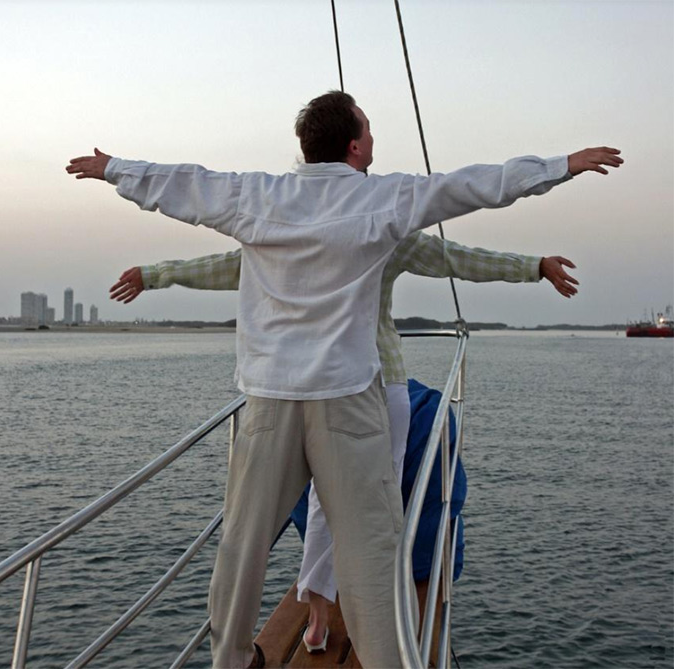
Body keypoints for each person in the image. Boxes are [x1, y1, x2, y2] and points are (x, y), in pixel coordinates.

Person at [66, 90, 622, 669]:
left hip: (270, 402)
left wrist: (115, 170)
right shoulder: (383, 199)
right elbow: (472, 184)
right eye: (371, 131)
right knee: (371, 558)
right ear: (356, 146)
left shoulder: (257, 196)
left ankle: (230, 659)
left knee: (241, 545)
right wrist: (560, 167)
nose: (375, 139)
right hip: (348, 403)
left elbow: (183, 183)